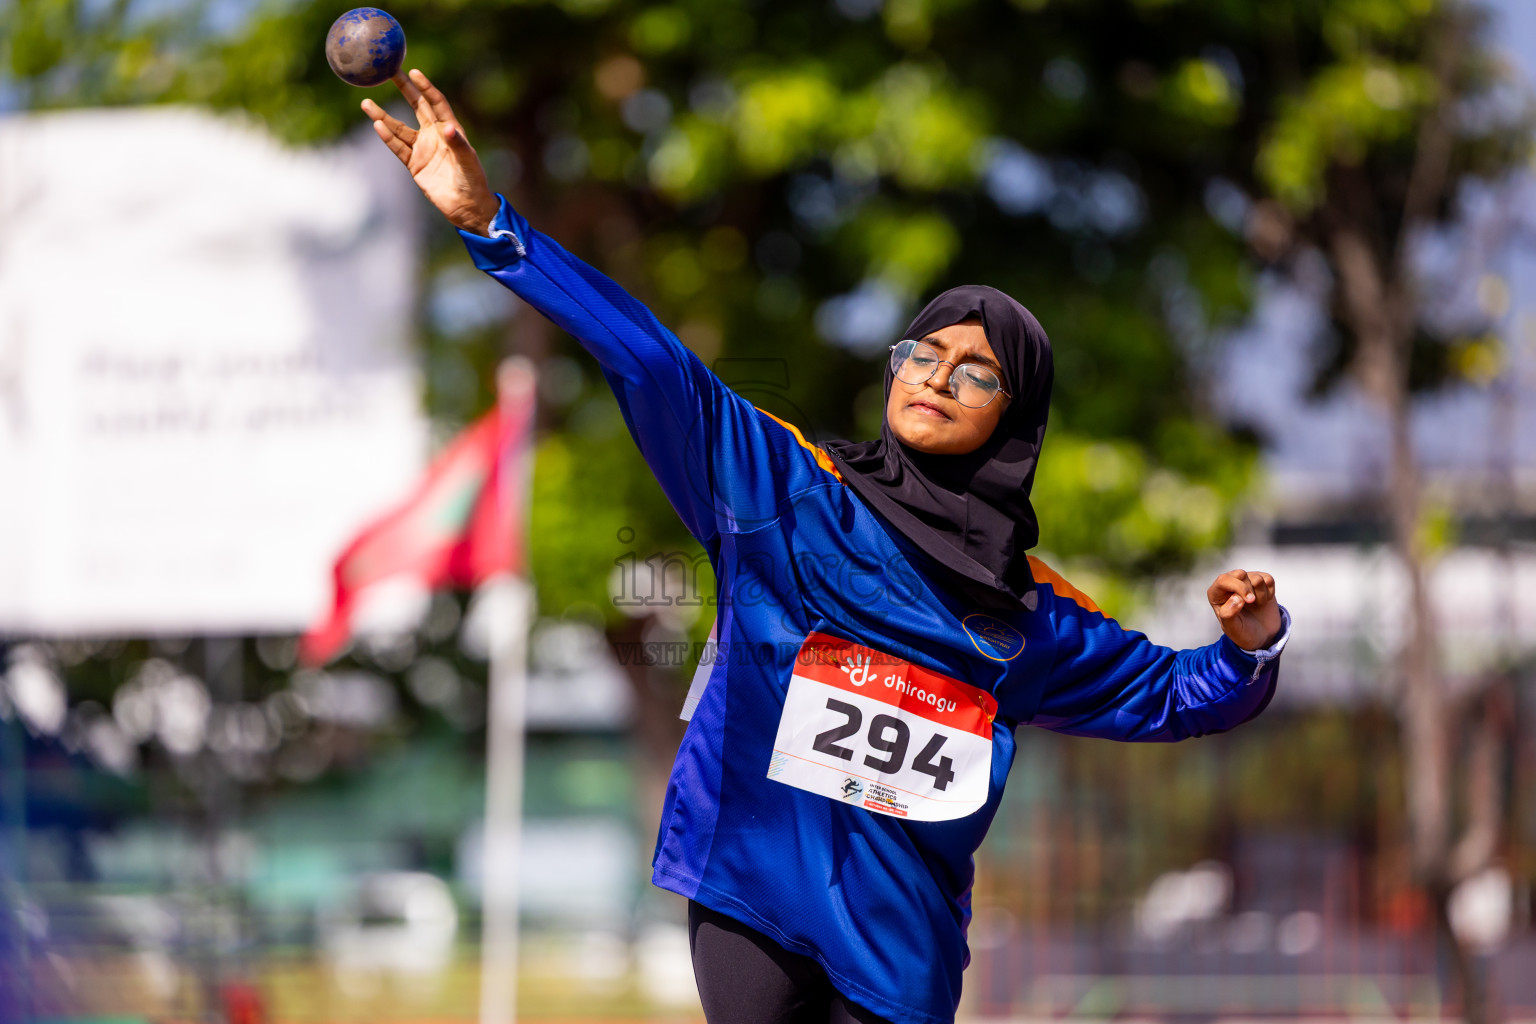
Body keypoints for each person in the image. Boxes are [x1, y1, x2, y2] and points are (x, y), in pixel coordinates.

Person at [363, 70, 1291, 1024]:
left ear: (1014, 423)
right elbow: (649, 358)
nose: (935, 378)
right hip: (752, 885)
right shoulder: (790, 490)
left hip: (900, 943)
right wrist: (495, 228)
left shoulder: (1030, 617)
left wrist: (1252, 639)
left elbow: (1179, 696)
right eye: (921, 353)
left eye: (975, 374)